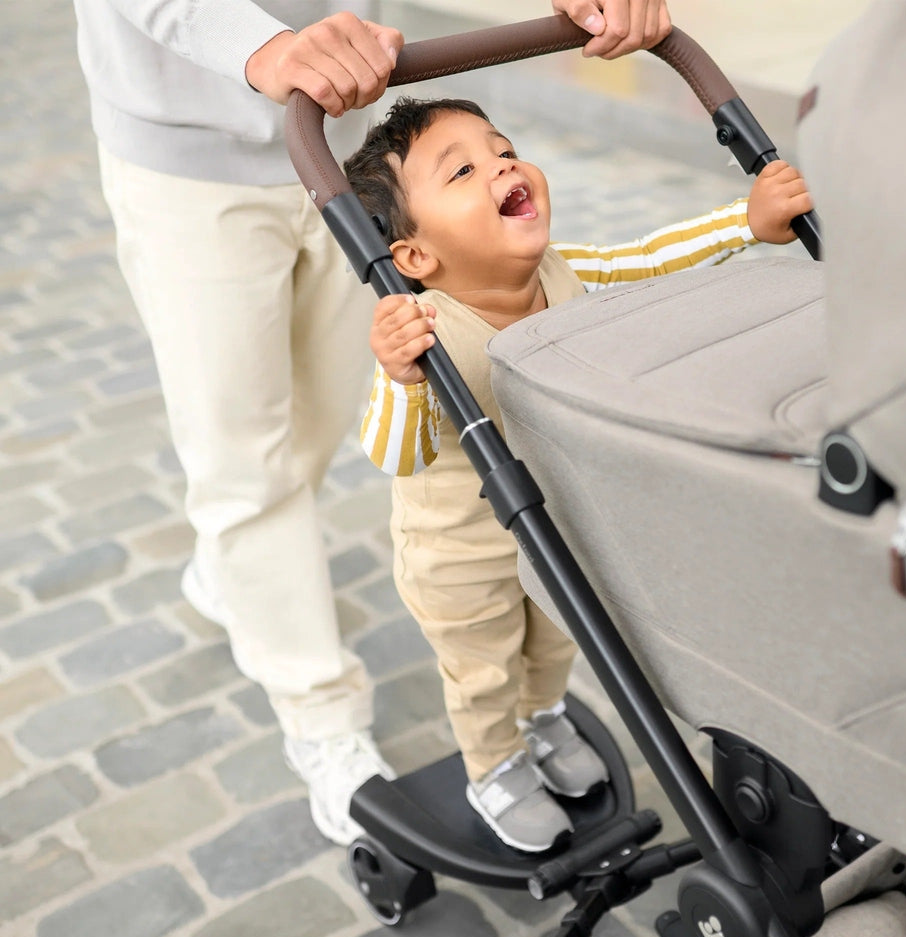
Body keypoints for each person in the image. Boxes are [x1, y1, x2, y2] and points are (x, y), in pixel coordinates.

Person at [71, 1, 675, 847]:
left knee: (316, 426)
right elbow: (396, 443)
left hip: (344, 147)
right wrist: (262, 47)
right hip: (190, 154)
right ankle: (320, 715)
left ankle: (234, 573)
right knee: (247, 464)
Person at [345, 96, 811, 851]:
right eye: (462, 171)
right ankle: (495, 766)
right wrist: (400, 377)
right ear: (416, 258)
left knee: (556, 640)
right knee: (483, 669)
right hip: (459, 556)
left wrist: (745, 223)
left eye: (503, 150)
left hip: (553, 522)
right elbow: (395, 454)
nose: (502, 167)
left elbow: (649, 257)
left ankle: (545, 716)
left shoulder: (564, 271)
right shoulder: (426, 331)